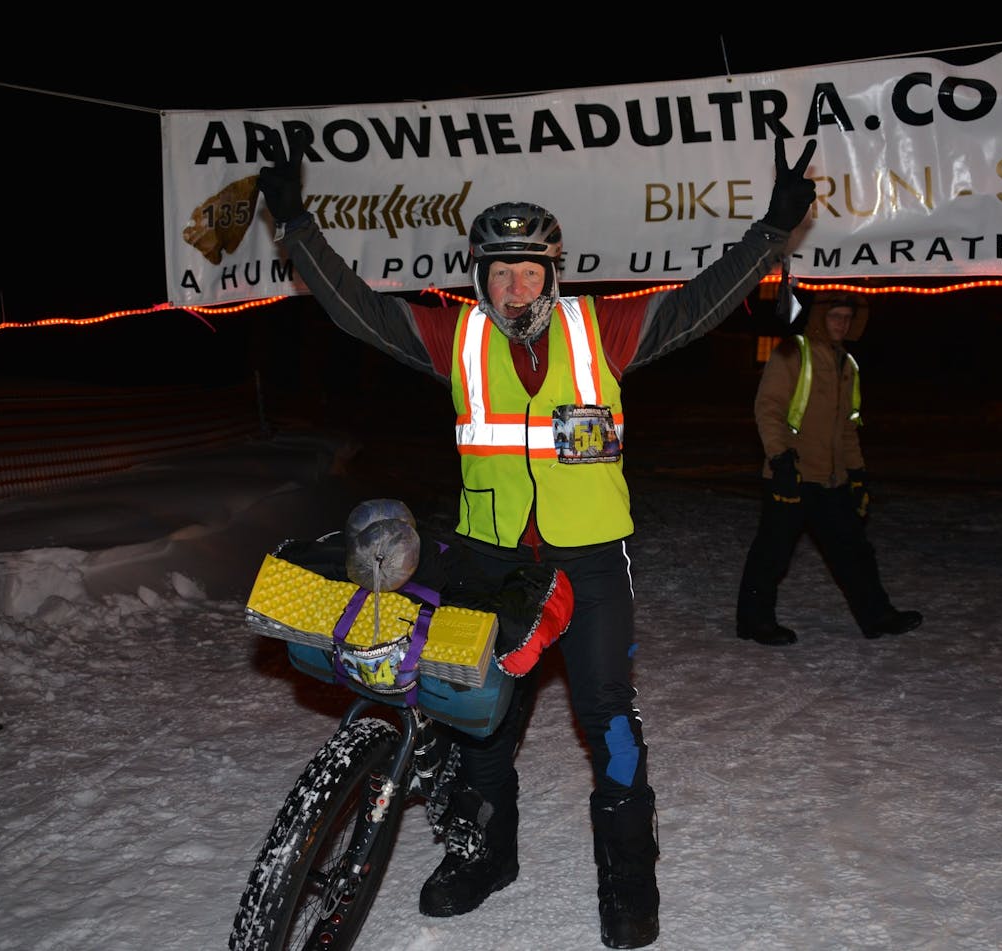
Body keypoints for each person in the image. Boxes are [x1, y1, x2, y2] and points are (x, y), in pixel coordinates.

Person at [256, 136, 818, 949]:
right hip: (491, 563)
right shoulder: (457, 339)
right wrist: (297, 224)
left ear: (554, 274)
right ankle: (485, 856)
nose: (515, 289)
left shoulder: (607, 330)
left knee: (607, 714)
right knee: (479, 718)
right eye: (499, 273)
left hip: (589, 560)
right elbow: (359, 311)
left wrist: (771, 233)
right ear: (479, 277)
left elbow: (699, 302)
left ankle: (629, 877)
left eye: (529, 273)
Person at [735, 294, 922, 645]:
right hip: (792, 473)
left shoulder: (847, 363)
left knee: (854, 550)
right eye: (835, 316)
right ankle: (754, 621)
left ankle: (877, 615)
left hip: (831, 478)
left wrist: (858, 473)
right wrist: (780, 458)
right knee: (773, 553)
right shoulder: (794, 352)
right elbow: (768, 408)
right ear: (820, 317)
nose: (841, 323)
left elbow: (848, 427)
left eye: (847, 317)